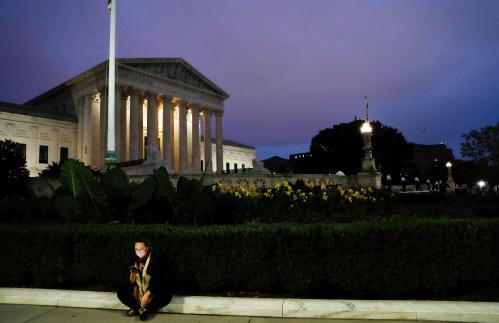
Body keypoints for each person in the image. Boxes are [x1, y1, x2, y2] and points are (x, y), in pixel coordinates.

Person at [117, 239, 172, 320]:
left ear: (147, 248)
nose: (139, 251)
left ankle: (143, 309)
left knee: (165, 296)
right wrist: (131, 278)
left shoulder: (155, 259)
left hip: (153, 292)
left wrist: (147, 295)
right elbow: (127, 282)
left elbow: (158, 280)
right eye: (136, 249)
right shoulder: (132, 259)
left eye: (141, 249)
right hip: (138, 291)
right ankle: (140, 309)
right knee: (121, 292)